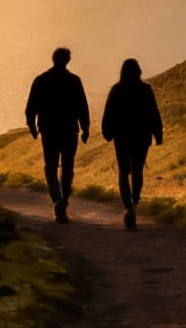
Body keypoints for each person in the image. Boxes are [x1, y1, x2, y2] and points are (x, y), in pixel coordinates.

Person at [25, 47, 90, 223]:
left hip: (49, 129)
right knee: (68, 166)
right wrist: (86, 128)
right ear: (68, 60)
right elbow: (82, 106)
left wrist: (32, 126)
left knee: (51, 166)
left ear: (53, 59)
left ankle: (57, 199)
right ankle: (64, 200)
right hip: (69, 129)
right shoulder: (74, 81)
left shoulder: (41, 80)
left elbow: (31, 107)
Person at [100, 58, 163, 231]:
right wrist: (158, 133)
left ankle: (128, 205)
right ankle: (134, 202)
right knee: (137, 170)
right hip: (141, 136)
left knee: (123, 171)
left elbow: (109, 111)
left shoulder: (117, 90)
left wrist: (107, 131)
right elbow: (153, 112)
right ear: (139, 72)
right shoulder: (145, 90)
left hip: (122, 136)